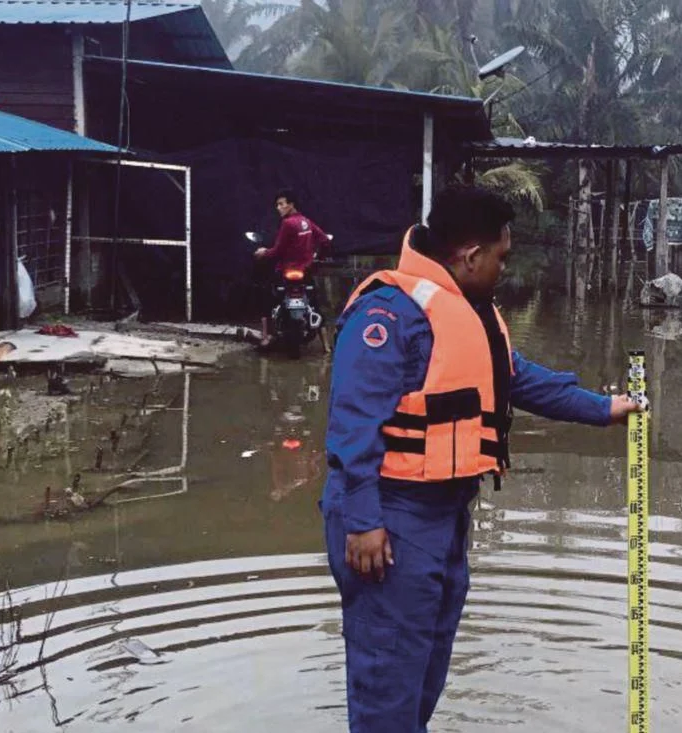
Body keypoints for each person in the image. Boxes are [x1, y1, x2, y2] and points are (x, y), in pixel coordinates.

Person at [320, 184, 642, 732]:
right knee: (386, 689)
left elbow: (521, 380)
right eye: (501, 258)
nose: (503, 270)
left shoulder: (472, 315)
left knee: (420, 679)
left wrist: (606, 408)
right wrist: (363, 521)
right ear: (470, 256)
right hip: (389, 519)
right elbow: (352, 424)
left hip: (443, 518)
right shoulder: (389, 314)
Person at [253, 188, 331, 348]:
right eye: (277, 205)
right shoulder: (306, 222)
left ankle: (266, 337)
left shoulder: (287, 223)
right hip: (306, 271)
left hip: (286, 271)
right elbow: (324, 240)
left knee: (267, 299)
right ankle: (327, 346)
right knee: (315, 303)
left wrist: (263, 252)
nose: (278, 208)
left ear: (291, 205)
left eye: (281, 204)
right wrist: (318, 257)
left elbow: (278, 250)